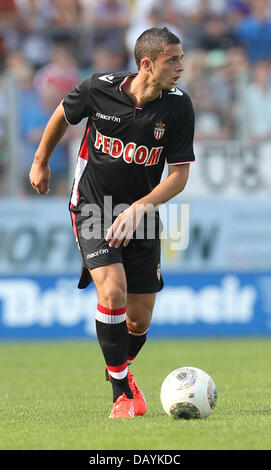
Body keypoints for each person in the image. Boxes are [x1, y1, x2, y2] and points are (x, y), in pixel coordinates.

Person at [29, 27, 195, 419]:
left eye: (181, 59)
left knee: (139, 320)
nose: (181, 67)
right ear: (146, 64)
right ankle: (122, 394)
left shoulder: (178, 107)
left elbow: (179, 175)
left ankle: (117, 365)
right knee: (113, 289)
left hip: (142, 213)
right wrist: (39, 161)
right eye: (173, 60)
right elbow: (60, 116)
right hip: (92, 206)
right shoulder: (97, 88)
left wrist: (139, 207)